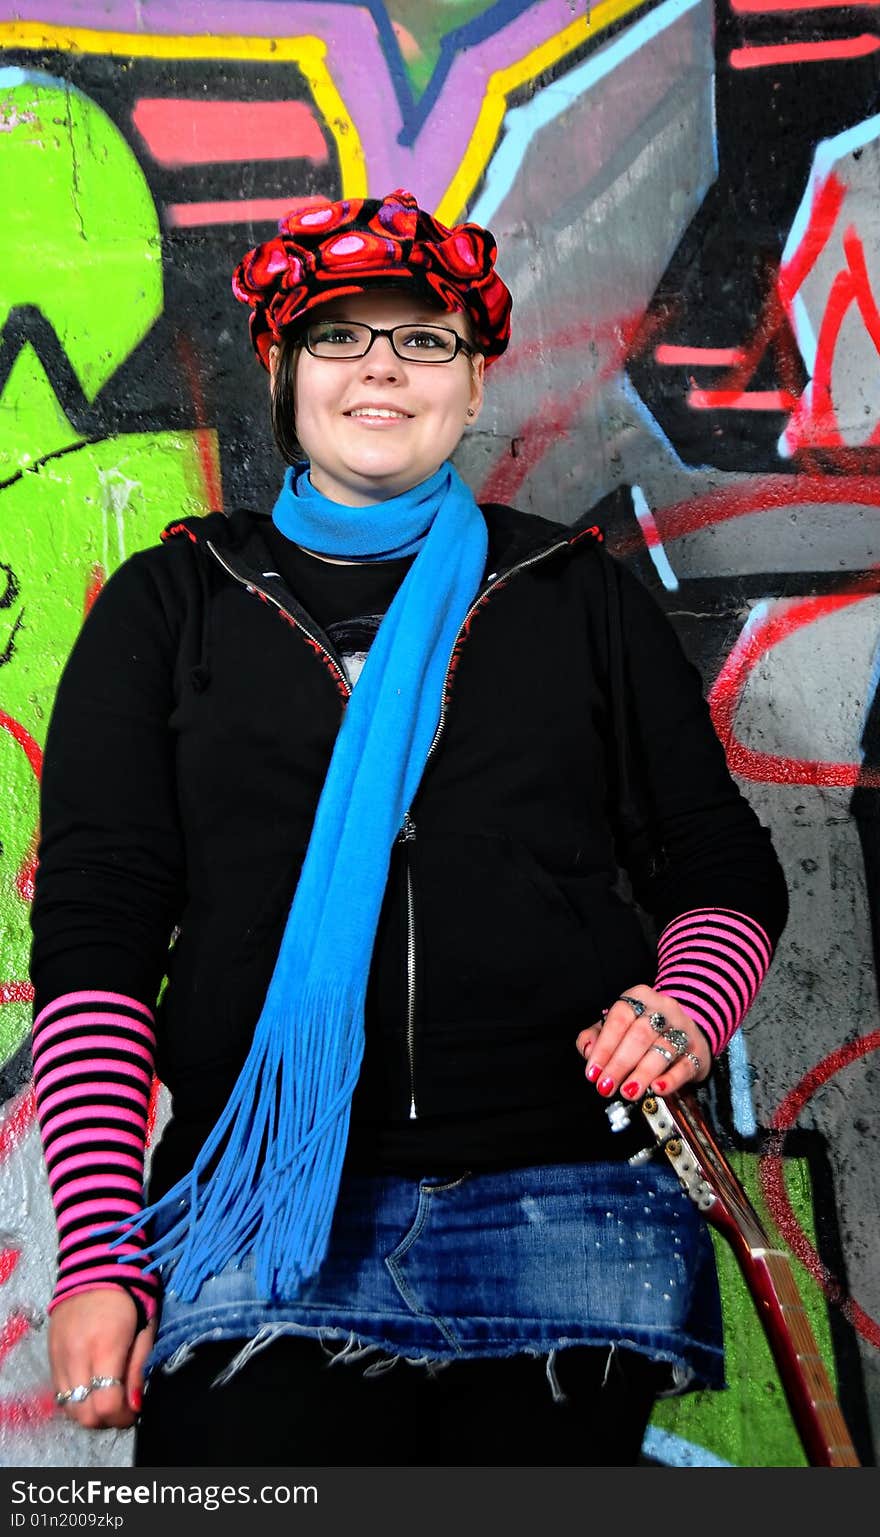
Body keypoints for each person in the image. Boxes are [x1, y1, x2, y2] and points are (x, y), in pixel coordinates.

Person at [29, 189, 788, 1468]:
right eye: (337, 336)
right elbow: (97, 943)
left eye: (422, 338)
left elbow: (722, 870)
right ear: (279, 373)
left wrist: (683, 1006)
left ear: (473, 381)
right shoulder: (173, 605)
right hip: (260, 1219)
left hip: (560, 1214)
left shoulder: (573, 593)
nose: (381, 365)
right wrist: (102, 1254)